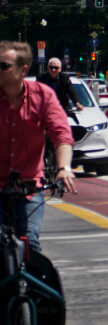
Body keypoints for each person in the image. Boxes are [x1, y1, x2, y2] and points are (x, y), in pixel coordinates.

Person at [0, 41, 77, 252]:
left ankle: (30, 284)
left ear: (23, 70)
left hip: (29, 186)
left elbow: (61, 134)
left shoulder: (42, 95)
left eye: (3, 66)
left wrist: (63, 168)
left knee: (29, 245)